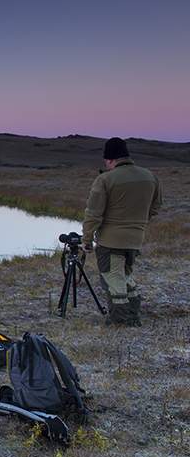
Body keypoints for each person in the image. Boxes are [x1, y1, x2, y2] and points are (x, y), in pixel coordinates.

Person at [82, 137, 162, 326]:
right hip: (135, 239)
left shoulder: (105, 179)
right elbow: (156, 206)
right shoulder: (150, 176)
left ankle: (121, 321)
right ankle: (133, 315)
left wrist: (87, 240)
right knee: (126, 276)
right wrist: (139, 223)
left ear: (109, 160)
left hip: (111, 242)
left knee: (113, 279)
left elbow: (93, 213)